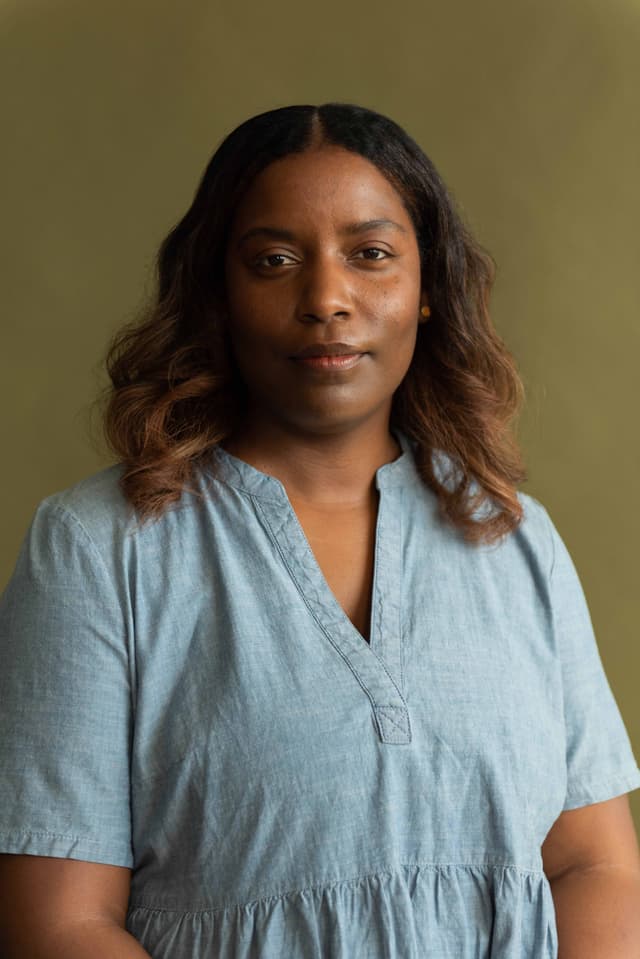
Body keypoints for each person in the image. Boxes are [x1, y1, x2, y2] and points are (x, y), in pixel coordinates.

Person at [0, 102, 639, 959]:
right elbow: (59, 923)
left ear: (426, 291)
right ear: (218, 295)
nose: (326, 299)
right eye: (273, 260)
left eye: (371, 254)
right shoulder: (96, 548)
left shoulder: (516, 537)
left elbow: (596, 863)